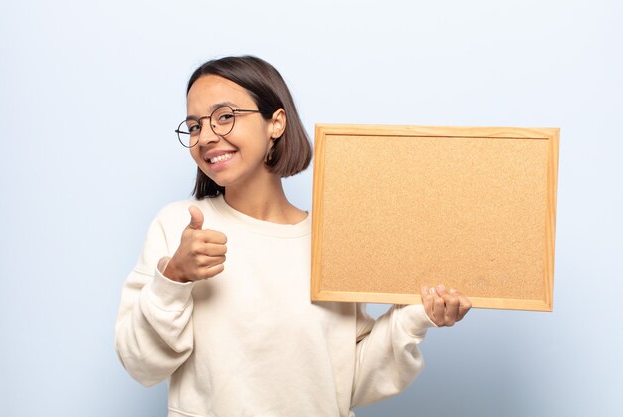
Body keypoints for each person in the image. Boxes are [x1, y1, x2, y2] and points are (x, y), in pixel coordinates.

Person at [114, 55, 471, 417]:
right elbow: (140, 363)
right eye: (194, 126)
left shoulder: (333, 239)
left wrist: (415, 316)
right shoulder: (178, 227)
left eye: (225, 117)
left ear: (276, 123)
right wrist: (174, 277)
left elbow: (350, 379)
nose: (205, 137)